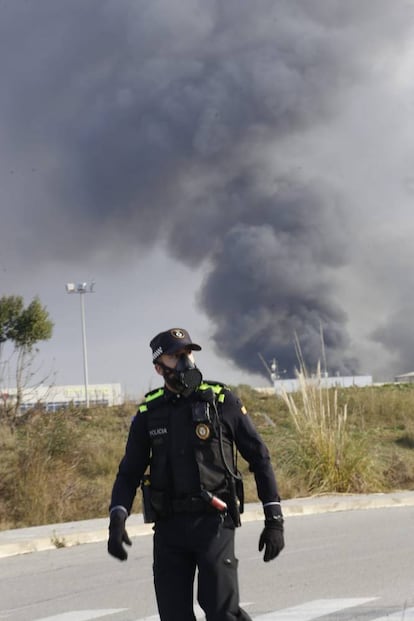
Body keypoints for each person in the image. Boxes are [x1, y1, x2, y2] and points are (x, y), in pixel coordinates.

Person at [108, 327, 284, 621]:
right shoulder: (149, 412)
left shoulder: (221, 402)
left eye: (188, 353)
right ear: (159, 366)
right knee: (173, 615)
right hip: (169, 528)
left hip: (214, 522)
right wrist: (117, 517)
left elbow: (259, 457)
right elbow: (129, 473)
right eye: (177, 356)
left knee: (221, 612)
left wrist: (274, 519)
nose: (186, 361)